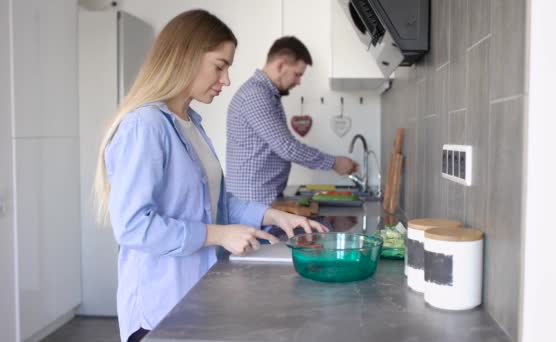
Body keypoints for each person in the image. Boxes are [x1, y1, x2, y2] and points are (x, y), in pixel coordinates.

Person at [93, 10, 327, 342]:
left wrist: (273, 215)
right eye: (220, 66)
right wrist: (218, 235)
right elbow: (133, 226)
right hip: (159, 311)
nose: (226, 80)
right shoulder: (146, 125)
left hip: (195, 298)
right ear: (185, 56)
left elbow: (212, 202)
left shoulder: (191, 124)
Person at [225, 36, 358, 205]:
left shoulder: (266, 95)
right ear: (281, 65)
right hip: (253, 203)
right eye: (297, 74)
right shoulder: (256, 96)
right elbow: (287, 147)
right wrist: (334, 162)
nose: (299, 82)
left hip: (259, 200)